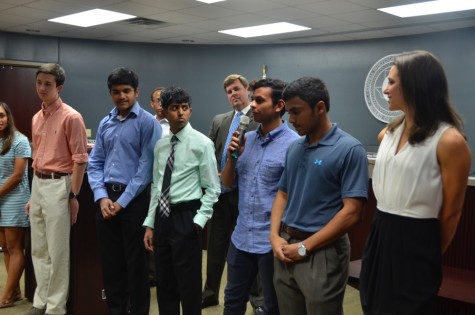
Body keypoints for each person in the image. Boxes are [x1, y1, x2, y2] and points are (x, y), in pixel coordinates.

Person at [359, 50, 472, 315]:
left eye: (391, 82)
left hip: (417, 240)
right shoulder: (387, 133)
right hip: (380, 232)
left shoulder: (450, 141)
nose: (385, 89)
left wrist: (428, 255)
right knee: (373, 305)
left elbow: (452, 212)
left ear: (415, 85)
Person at [269, 76, 368, 315]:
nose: (290, 120)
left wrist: (304, 247)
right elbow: (282, 194)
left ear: (320, 107)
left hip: (322, 252)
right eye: (288, 112)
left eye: (296, 112)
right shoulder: (295, 147)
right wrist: (274, 236)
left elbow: (352, 212)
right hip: (286, 246)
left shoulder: (350, 149)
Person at [221, 78, 299, 315]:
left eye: (259, 100)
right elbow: (226, 184)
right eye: (252, 99)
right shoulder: (247, 139)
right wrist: (233, 158)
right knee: (232, 301)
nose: (252, 105)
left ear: (278, 106)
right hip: (241, 238)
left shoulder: (294, 145)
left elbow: (293, 197)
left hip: (271, 242)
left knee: (273, 305)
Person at [87, 67, 161, 315]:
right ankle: (116, 310)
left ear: (136, 92)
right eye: (116, 92)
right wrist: (101, 196)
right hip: (106, 200)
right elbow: (95, 162)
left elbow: (146, 168)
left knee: (136, 265)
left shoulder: (147, 123)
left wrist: (123, 201)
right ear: (110, 94)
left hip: (135, 201)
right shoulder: (104, 122)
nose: (122, 96)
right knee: (111, 264)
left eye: (127, 91)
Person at [143, 86, 220, 315]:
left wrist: (199, 221)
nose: (180, 113)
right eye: (174, 108)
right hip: (162, 218)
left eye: (184, 108)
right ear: (163, 112)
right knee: (165, 282)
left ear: (190, 111)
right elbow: (157, 185)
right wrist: (150, 223)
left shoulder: (202, 143)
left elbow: (213, 189)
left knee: (188, 283)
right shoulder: (161, 146)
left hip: (187, 217)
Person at [26, 63, 88, 315]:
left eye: (48, 84)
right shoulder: (36, 117)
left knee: (57, 250)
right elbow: (36, 157)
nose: (42, 88)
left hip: (59, 185)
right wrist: (33, 195)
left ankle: (55, 307)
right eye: (39, 82)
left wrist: (73, 195)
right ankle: (41, 300)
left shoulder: (72, 117)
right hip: (38, 183)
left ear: (59, 87)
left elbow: (80, 160)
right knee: (38, 249)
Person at [203, 74, 264, 313]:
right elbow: (209, 152)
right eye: (229, 92)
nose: (233, 94)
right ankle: (209, 293)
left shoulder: (258, 119)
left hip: (245, 194)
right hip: (220, 193)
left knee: (249, 247)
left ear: (247, 90)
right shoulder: (220, 120)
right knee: (215, 246)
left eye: (237, 89)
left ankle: (257, 300)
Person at [0, 102, 31, 309]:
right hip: (0, 198)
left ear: (8, 116)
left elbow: (18, 175)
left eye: (1, 115)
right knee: (5, 248)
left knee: (15, 247)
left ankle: (7, 296)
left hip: (14, 199)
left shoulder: (20, 141)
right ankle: (16, 291)